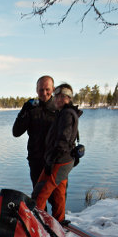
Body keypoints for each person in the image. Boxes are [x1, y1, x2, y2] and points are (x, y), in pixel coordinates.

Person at [31, 83, 83, 224]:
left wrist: (51, 161)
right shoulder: (65, 113)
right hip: (64, 160)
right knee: (59, 192)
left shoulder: (66, 114)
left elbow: (63, 140)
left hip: (59, 160)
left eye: (63, 97)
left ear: (69, 98)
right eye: (57, 96)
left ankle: (37, 225)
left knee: (40, 193)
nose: (59, 99)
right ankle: (59, 221)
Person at [12, 75, 57, 188]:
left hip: (55, 161)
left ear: (53, 89)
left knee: (57, 200)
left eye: (47, 89)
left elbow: (68, 136)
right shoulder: (31, 109)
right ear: (37, 90)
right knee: (38, 198)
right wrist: (24, 112)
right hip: (36, 160)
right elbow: (16, 132)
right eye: (41, 90)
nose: (44, 92)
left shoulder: (59, 109)